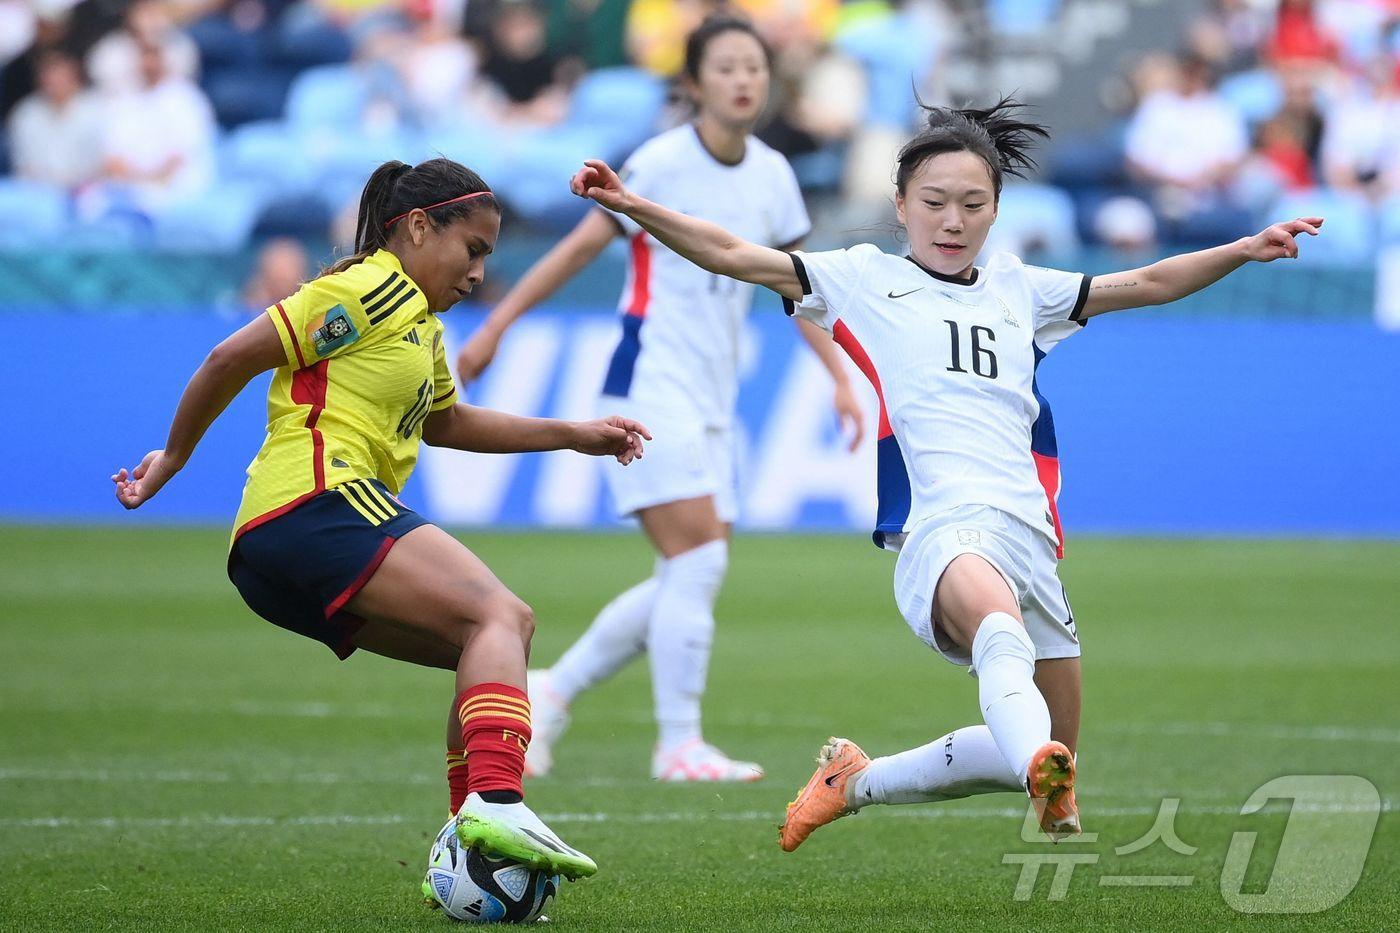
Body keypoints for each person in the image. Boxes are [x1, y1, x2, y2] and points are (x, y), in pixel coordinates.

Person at [565, 98, 1322, 844]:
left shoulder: (1022, 288)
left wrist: (1241, 248)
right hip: (943, 528)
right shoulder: (859, 278)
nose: (952, 220)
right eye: (933, 202)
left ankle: (856, 782)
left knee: (1045, 742)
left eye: (972, 203)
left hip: (1029, 535)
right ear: (900, 204)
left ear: (996, 210)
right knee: (1000, 638)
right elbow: (734, 253)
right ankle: (1038, 775)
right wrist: (634, 205)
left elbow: (1150, 282)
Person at [112, 157, 653, 882]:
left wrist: (574, 433)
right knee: (503, 616)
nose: (478, 274)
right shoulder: (367, 289)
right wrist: (173, 457)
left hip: (278, 547)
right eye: (474, 250)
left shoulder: (419, 323)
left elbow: (447, 421)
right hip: (315, 500)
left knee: (483, 648)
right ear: (419, 227)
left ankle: (474, 844)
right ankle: (495, 800)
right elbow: (229, 356)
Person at [458, 16, 863, 783]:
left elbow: (798, 287)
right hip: (648, 382)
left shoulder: (774, 174)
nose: (744, 79)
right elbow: (581, 246)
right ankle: (678, 742)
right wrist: (497, 327)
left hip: (713, 394)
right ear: (693, 83)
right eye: (727, 67)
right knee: (699, 559)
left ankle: (550, 691)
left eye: (755, 67)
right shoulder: (661, 162)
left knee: (688, 572)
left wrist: (840, 374)